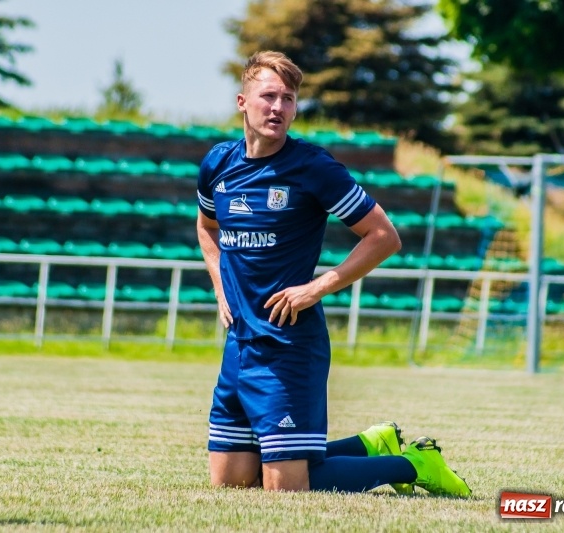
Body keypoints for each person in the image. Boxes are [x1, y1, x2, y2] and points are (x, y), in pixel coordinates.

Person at [196, 50, 471, 496]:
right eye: (268, 96)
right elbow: (207, 226)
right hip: (239, 346)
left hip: (290, 346)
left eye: (288, 99)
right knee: (231, 482)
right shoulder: (218, 165)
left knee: (286, 489)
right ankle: (369, 443)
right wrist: (219, 285)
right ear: (242, 101)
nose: (278, 108)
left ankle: (413, 463)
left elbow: (383, 235)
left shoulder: (312, 168)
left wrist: (316, 288)